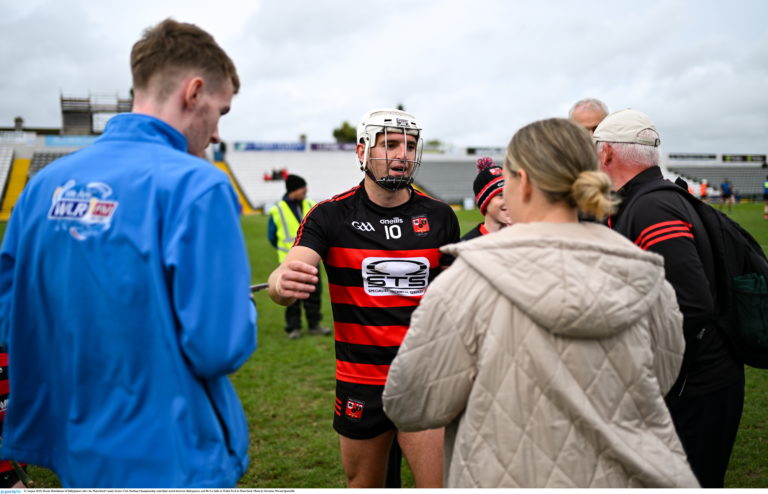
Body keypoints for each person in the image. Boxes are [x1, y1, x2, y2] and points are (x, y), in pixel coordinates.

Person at [0, 19, 257, 487]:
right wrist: (242, 306)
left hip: (75, 447)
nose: (217, 133)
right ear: (194, 92)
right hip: (170, 453)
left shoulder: (41, 187)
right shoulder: (198, 185)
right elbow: (217, 347)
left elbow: (10, 321)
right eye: (220, 112)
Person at [382, 118, 697, 488]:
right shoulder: (643, 270)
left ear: (525, 182)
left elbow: (411, 403)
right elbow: (663, 373)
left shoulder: (466, 281)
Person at [268, 108, 460, 488]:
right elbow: (288, 271)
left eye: (410, 145)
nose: (402, 154)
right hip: (360, 381)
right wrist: (280, 284)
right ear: (362, 151)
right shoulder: (329, 216)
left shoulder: (440, 216)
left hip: (424, 376)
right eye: (390, 144)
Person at [594, 109, 744, 487]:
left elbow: (690, 304)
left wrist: (644, 367)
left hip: (695, 386)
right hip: (698, 381)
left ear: (607, 153)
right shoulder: (650, 198)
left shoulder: (651, 206)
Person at [268, 174, 330, 339]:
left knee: (313, 294)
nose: (306, 190)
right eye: (303, 188)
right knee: (290, 295)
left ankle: (314, 325)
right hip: (289, 262)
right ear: (293, 190)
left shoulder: (310, 204)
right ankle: (293, 327)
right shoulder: (277, 209)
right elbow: (272, 236)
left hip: (312, 259)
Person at [462, 157, 511, 241]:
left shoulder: (524, 239)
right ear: (485, 203)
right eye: (501, 195)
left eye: (511, 194)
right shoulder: (466, 244)